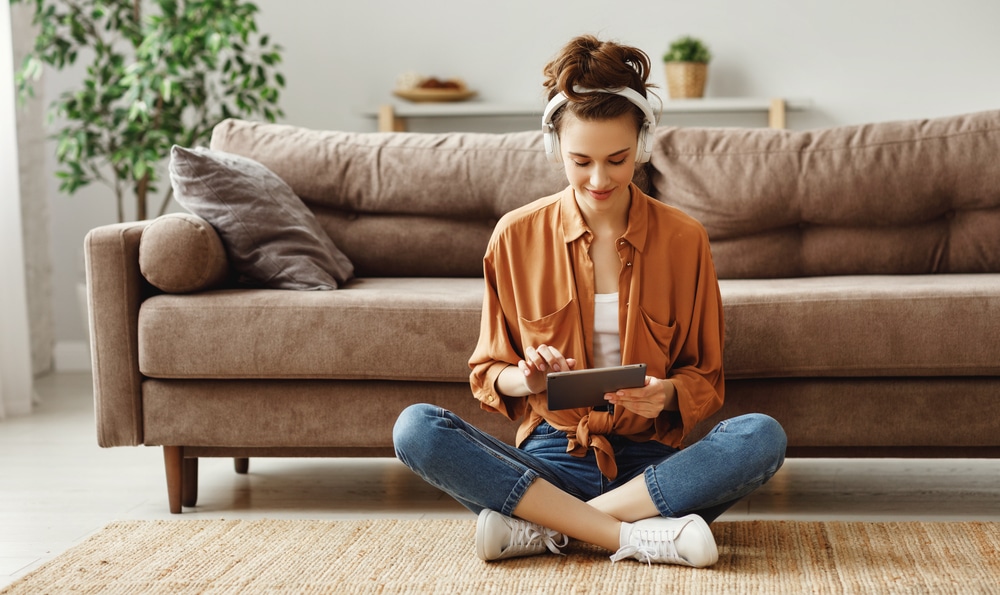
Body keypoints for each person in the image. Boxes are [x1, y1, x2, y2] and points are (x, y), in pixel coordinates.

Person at [393, 34, 787, 567]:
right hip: (551, 460)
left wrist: (666, 395)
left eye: (618, 160)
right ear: (555, 147)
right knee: (416, 429)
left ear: (643, 146)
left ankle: (548, 530)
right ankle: (636, 536)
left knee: (760, 437)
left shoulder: (684, 239)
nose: (599, 179)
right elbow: (489, 372)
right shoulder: (515, 236)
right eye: (580, 161)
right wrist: (527, 378)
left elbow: (705, 377)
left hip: (653, 470)